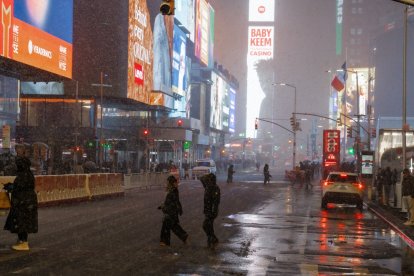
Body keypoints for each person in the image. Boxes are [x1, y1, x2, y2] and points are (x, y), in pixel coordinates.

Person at [3, 157, 38, 251]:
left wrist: (10, 187)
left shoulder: (23, 175)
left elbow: (19, 187)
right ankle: (22, 241)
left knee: (21, 221)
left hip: (22, 202)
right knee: (23, 221)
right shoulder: (28, 174)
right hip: (27, 202)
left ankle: (24, 242)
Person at [159, 175, 188, 246]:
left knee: (169, 226)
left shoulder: (172, 191)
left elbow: (172, 203)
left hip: (171, 212)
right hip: (171, 212)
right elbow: (173, 202)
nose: (166, 184)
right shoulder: (172, 190)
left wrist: (164, 207)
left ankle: (165, 241)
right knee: (171, 225)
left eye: (168, 182)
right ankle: (182, 236)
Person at [200, 173, 220, 248]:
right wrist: (207, 175)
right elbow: (201, 178)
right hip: (207, 210)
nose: (207, 181)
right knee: (209, 226)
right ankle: (211, 240)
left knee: (205, 225)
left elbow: (216, 202)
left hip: (211, 211)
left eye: (209, 179)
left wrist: (213, 212)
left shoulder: (215, 188)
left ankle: (213, 239)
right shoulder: (207, 187)